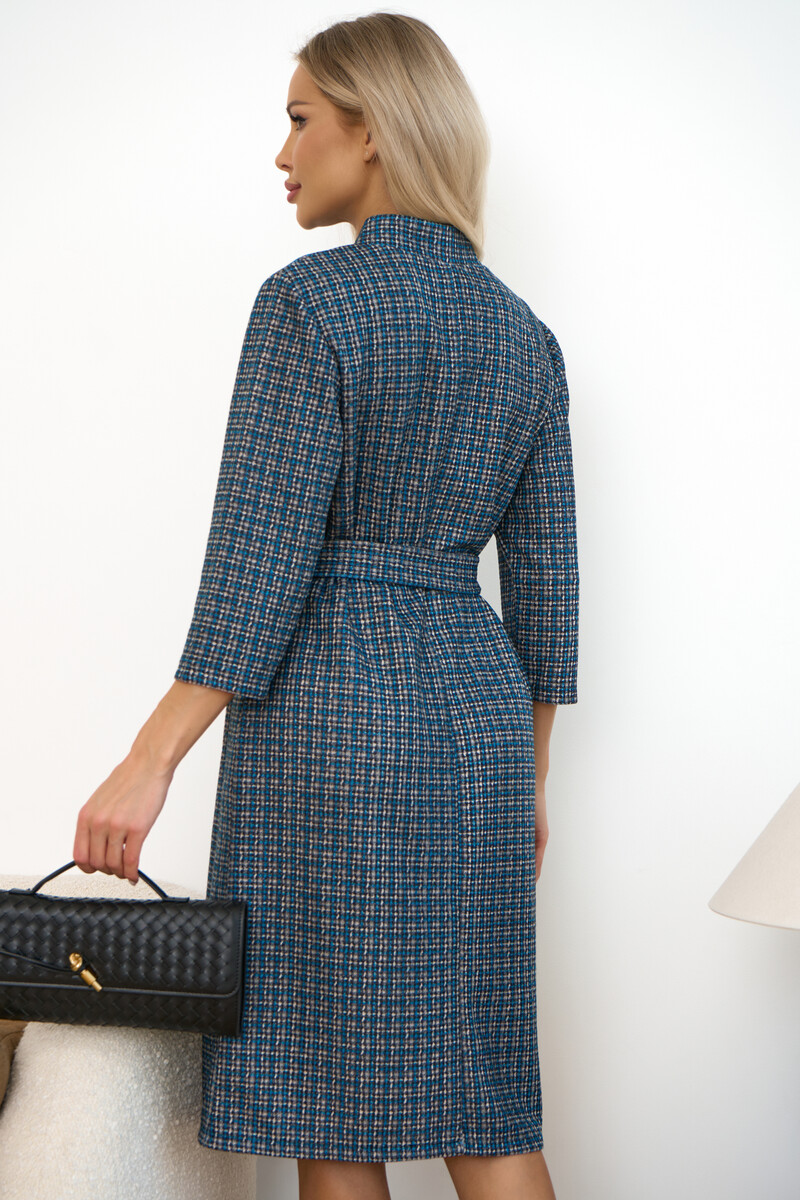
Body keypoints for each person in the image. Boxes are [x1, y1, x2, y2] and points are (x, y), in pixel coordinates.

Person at [72, 12, 579, 1200]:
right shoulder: (525, 337)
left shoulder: (310, 303)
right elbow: (547, 593)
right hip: (477, 723)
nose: (282, 151)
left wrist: (148, 761)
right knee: (481, 1093)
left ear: (373, 129)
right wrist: (529, 776)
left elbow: (258, 564)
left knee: (330, 1097)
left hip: (329, 710)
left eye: (300, 119)